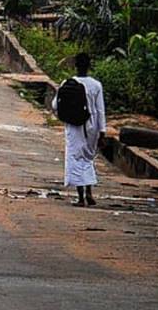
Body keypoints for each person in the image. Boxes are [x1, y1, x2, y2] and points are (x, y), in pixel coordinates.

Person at [54, 52, 106, 207]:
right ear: (89, 66)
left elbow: (55, 105)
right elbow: (100, 109)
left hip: (73, 127)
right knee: (88, 159)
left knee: (75, 158)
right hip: (92, 127)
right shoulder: (96, 85)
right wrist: (102, 131)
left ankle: (81, 197)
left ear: (75, 66)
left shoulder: (67, 83)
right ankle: (89, 192)